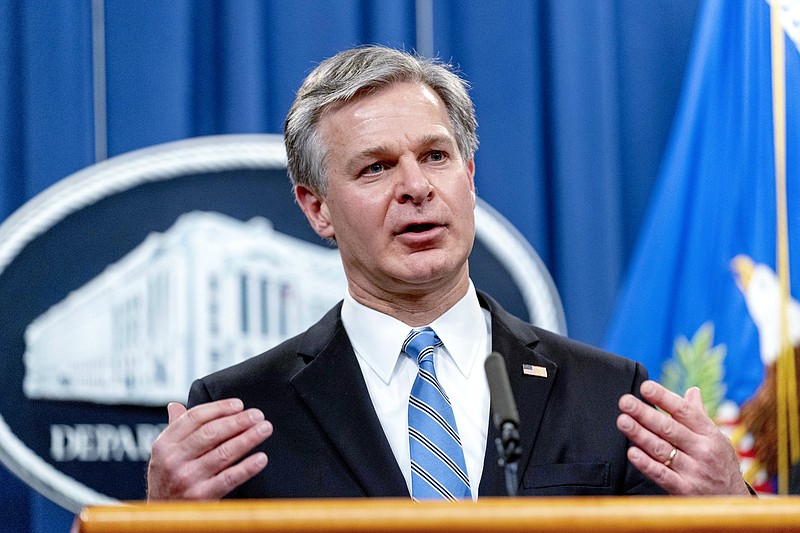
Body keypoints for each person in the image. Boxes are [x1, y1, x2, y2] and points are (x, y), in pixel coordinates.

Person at [146, 45, 750, 500]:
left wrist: (735, 510)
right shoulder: (241, 414)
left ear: (469, 176)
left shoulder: (605, 396)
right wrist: (162, 523)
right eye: (376, 168)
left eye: (435, 156)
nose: (416, 188)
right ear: (317, 208)